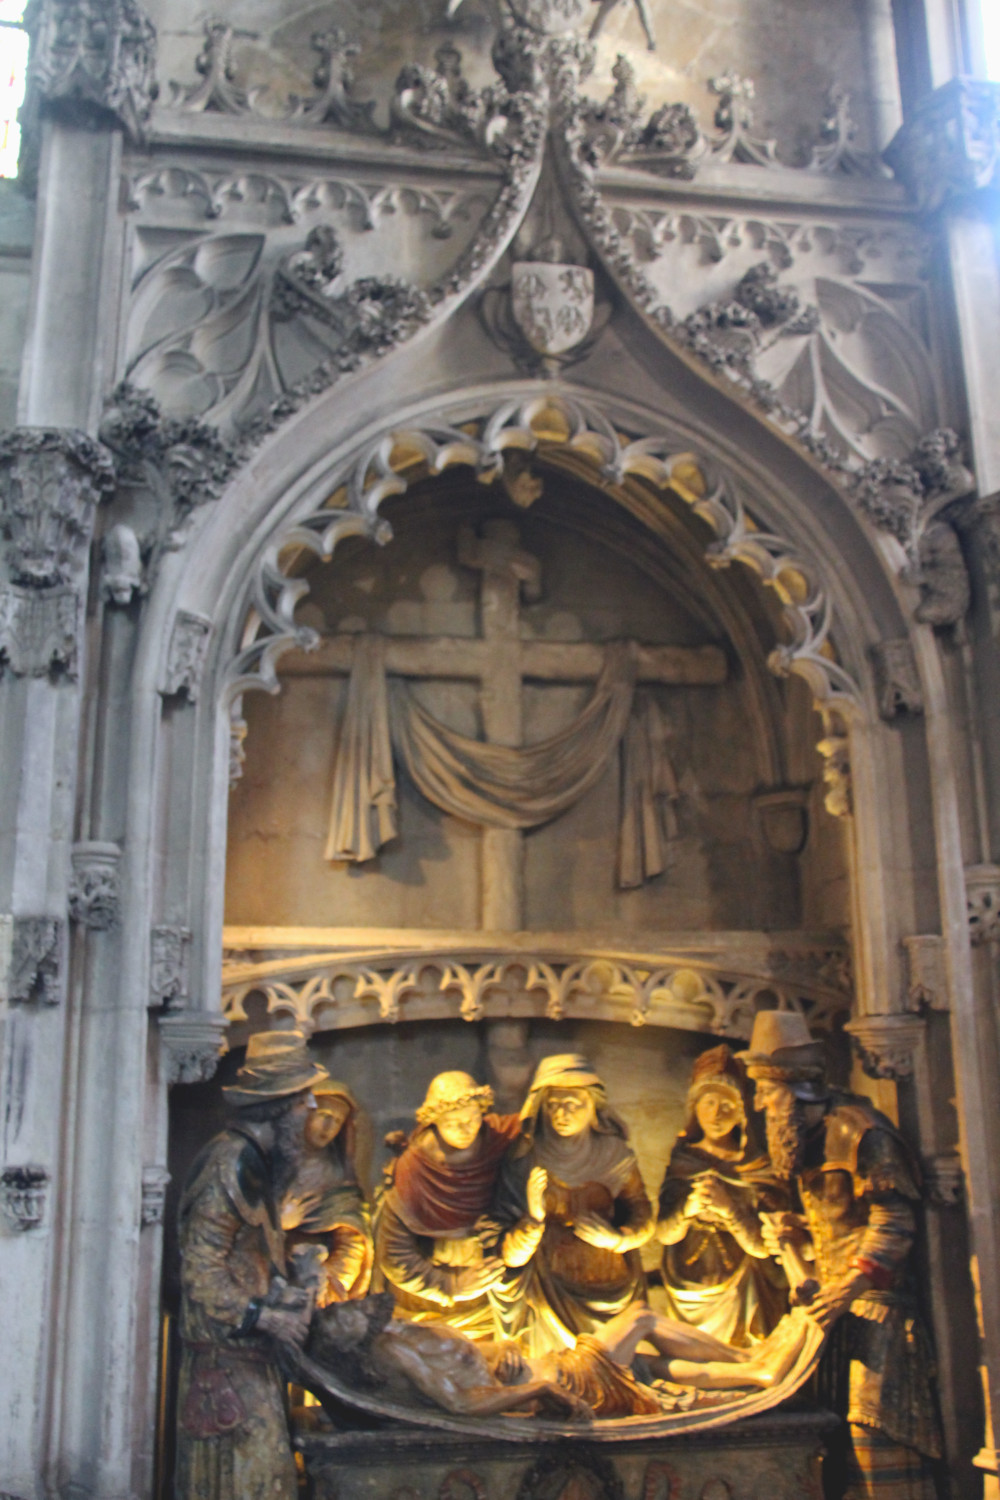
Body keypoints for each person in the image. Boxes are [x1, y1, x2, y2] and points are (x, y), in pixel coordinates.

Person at [742, 1010, 941, 1500]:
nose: (759, 1104)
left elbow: (893, 1222)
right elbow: (835, 1225)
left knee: (873, 1433)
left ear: (790, 1090)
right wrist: (796, 1239)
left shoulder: (859, 1131)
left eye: (766, 1093)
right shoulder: (807, 1143)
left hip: (877, 1310)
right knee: (829, 1449)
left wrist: (850, 1285)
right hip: (836, 1309)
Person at [175, 1029, 330, 1500]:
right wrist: (263, 1318)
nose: (314, 1109)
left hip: (250, 1362)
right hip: (225, 1365)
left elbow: (250, 1257)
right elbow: (201, 1269)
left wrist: (292, 1283)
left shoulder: (260, 1163)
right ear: (281, 1106)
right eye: (305, 1098)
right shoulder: (229, 1164)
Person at [306, 1291, 777, 1424]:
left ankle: (755, 1373)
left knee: (650, 1366)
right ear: (350, 1342)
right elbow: (462, 1404)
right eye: (335, 1317)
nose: (341, 1305)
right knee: (640, 1318)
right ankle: (750, 1356)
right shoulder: (393, 1352)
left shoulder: (398, 1327)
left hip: (550, 1363)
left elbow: (473, 1354)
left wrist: (503, 1347)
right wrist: (539, 1389)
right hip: (567, 1380)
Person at [493, 1054, 654, 1355]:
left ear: (593, 1107)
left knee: (613, 1368)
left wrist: (618, 1239)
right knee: (556, 1373)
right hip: (548, 1292)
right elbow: (508, 1257)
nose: (561, 1113)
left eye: (573, 1104)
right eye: (554, 1104)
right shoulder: (525, 1161)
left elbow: (643, 1216)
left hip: (613, 1285)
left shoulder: (614, 1155)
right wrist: (534, 1219)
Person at [372, 1070, 519, 1340]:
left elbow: (537, 1123)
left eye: (473, 1119)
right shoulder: (414, 1170)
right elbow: (394, 1256)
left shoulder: (498, 1142)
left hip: (493, 1302)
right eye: (453, 1123)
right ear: (434, 1122)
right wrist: (450, 1285)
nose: (466, 1130)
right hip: (429, 1305)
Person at [656, 1044, 787, 1345]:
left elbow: (765, 1247)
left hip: (743, 1290)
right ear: (694, 1108)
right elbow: (663, 1234)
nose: (716, 1114)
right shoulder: (683, 1162)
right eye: (708, 1103)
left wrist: (730, 1210)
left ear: (741, 1113)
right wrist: (687, 1209)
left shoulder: (757, 1167)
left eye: (727, 1105)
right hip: (689, 1289)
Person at [281, 1077, 373, 1306]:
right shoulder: (276, 1164)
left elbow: (352, 1238)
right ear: (305, 1114)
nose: (328, 1128)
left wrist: (329, 1281)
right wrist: (280, 1222)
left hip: (323, 1285)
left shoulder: (336, 1175)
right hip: (276, 1277)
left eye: (337, 1121)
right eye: (323, 1116)